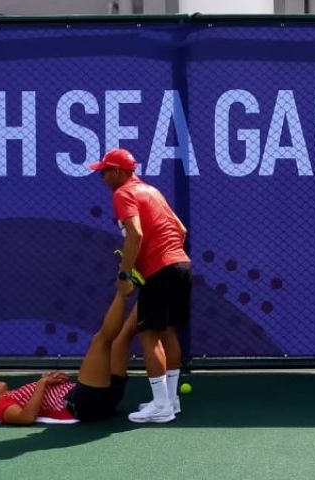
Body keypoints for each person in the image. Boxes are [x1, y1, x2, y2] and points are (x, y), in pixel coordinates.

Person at [90, 147, 191, 424]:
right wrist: (162, 256)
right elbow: (180, 230)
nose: (102, 178)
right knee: (168, 332)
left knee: (149, 335)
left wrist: (125, 274)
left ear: (118, 172)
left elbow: (134, 233)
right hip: (181, 265)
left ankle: (161, 406)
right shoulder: (152, 191)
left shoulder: (123, 194)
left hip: (161, 270)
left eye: (104, 172)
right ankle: (170, 401)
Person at [0, 288, 138, 424]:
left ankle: (150, 288)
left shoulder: (15, 394)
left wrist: (54, 381)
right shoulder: (1, 406)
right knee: (101, 340)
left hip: (99, 400)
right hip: (84, 405)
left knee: (123, 336)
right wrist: (42, 383)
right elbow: (26, 417)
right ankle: (123, 291)